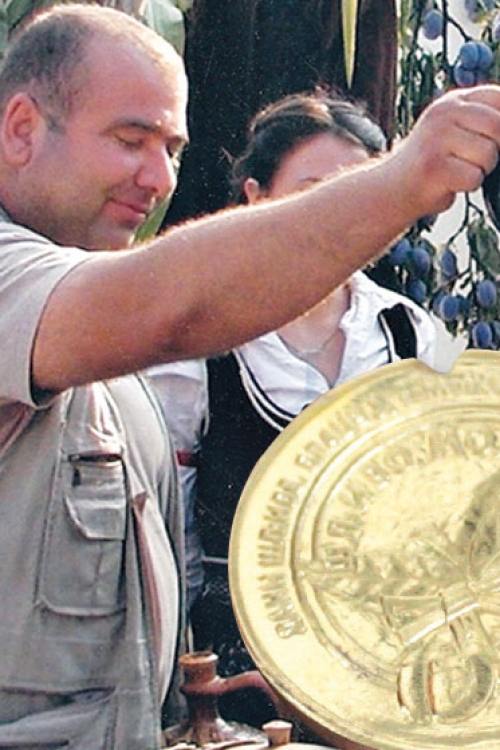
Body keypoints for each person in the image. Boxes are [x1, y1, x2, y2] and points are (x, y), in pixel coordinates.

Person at [1, 3, 500, 747]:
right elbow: (171, 307)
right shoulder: (85, 308)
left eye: (172, 148)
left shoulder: (402, 328)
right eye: (130, 141)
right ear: (20, 129)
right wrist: (404, 180)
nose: (159, 178)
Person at [148, 91, 438, 727]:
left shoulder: (410, 333)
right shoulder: (203, 346)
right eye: (314, 192)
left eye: (361, 192)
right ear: (256, 197)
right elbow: (169, 536)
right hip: (241, 673)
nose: (339, 214)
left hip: (383, 665)